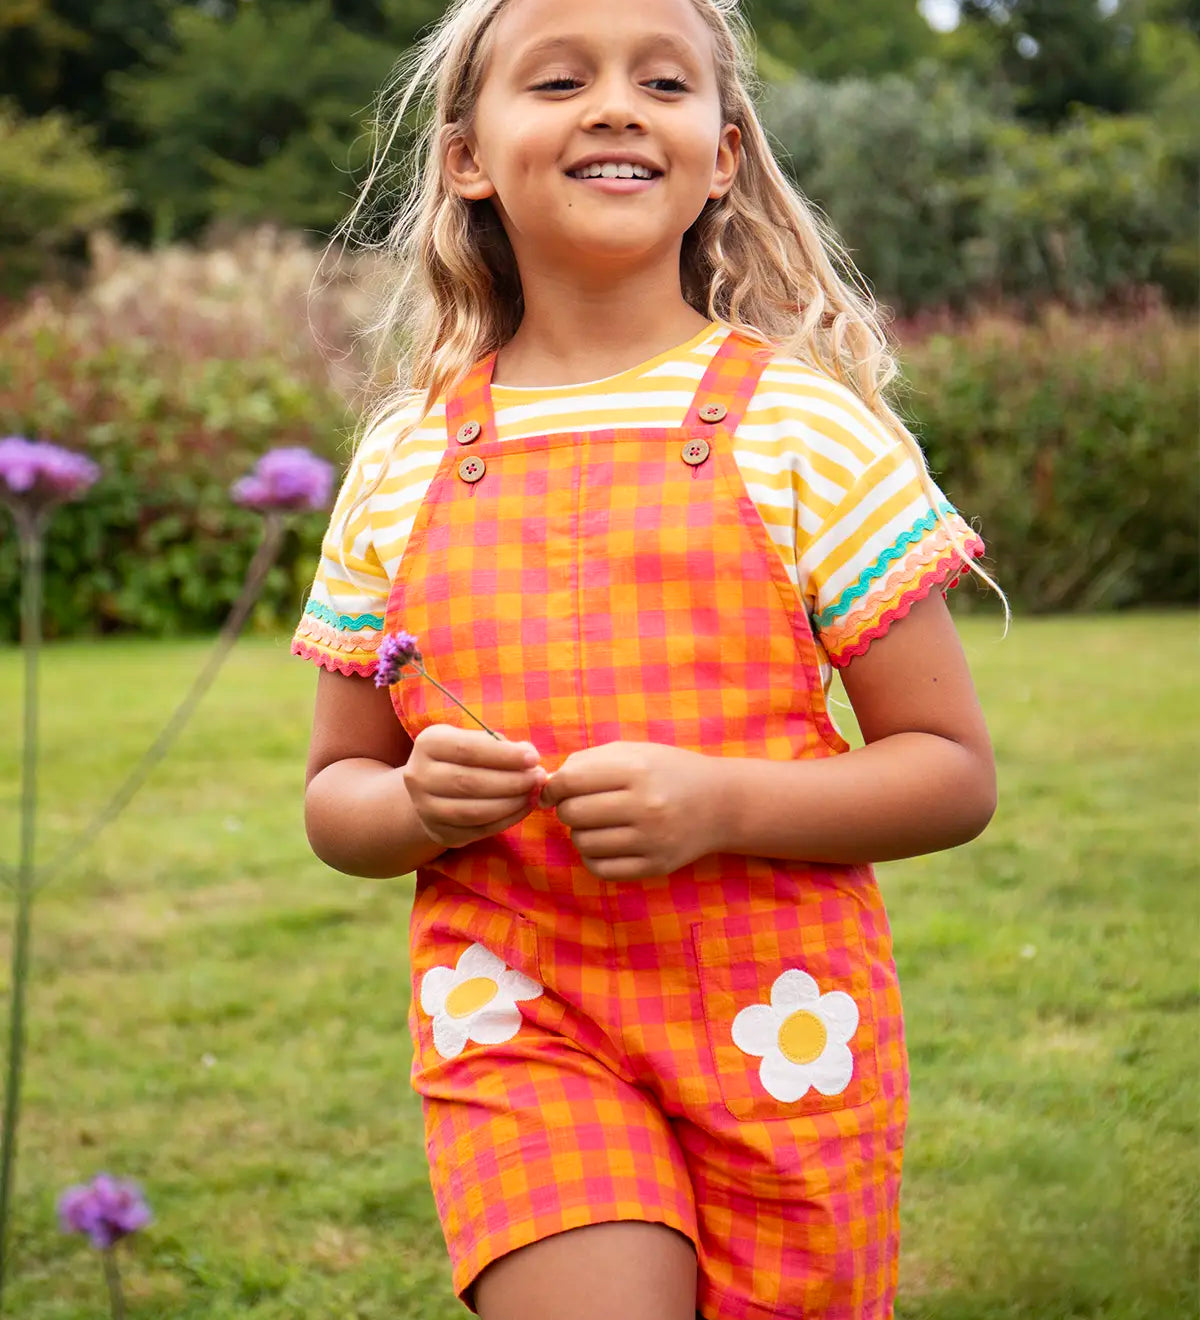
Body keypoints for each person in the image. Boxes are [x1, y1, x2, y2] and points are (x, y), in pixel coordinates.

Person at [292, 0, 999, 1316]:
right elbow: (339, 793)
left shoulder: (803, 429)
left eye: (661, 81)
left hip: (781, 1035)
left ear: (720, 154)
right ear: (466, 156)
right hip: (518, 1020)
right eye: (560, 77)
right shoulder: (400, 461)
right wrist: (410, 807)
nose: (615, 104)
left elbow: (950, 771)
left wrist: (724, 802)